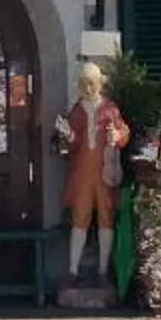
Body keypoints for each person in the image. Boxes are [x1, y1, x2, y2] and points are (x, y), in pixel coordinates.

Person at [54, 60, 130, 286]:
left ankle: (103, 270)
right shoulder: (77, 111)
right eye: (84, 84)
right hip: (83, 174)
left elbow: (123, 133)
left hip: (104, 172)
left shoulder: (110, 109)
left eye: (92, 83)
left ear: (99, 83)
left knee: (106, 218)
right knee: (80, 218)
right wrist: (67, 136)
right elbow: (73, 144)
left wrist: (116, 136)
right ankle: (73, 270)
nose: (88, 88)